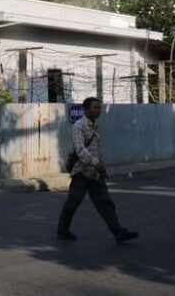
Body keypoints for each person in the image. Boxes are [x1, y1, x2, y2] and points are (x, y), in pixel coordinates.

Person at [57, 97, 139, 243]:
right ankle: (62, 229)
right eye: (95, 107)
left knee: (105, 203)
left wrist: (100, 167)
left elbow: (94, 149)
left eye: (99, 107)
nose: (98, 110)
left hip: (95, 173)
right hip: (81, 172)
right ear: (86, 109)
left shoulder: (94, 125)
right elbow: (80, 149)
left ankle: (118, 232)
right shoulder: (78, 126)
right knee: (73, 202)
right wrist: (96, 163)